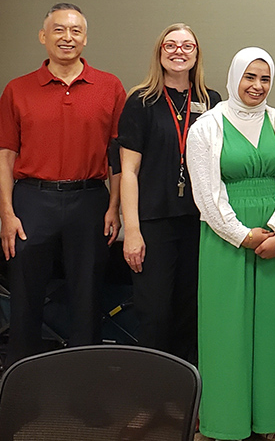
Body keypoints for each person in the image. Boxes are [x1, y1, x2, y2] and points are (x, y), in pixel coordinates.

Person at [0, 2, 127, 366]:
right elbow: (4, 156)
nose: (68, 38)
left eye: (75, 31)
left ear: (86, 37)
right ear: (43, 36)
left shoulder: (109, 87)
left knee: (87, 297)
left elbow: (118, 156)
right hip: (32, 202)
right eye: (59, 30)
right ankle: (24, 388)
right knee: (25, 298)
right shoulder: (18, 89)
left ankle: (83, 388)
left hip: (89, 201)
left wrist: (115, 207)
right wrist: (7, 214)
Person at [187, 47, 275, 441]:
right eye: (250, 77)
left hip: (274, 236)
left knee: (272, 329)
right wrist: (241, 234)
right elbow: (206, 192)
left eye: (265, 78)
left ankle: (270, 419)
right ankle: (225, 420)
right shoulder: (207, 126)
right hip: (225, 238)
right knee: (226, 329)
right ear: (235, 76)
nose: (257, 86)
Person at [119, 23, 221, 360]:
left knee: (190, 311)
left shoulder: (212, 102)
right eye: (171, 45)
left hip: (198, 223)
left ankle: (187, 398)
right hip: (154, 222)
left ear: (196, 55)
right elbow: (128, 172)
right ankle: (153, 399)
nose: (179, 51)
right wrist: (131, 230)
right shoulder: (141, 101)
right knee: (155, 314)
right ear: (160, 53)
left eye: (187, 46)